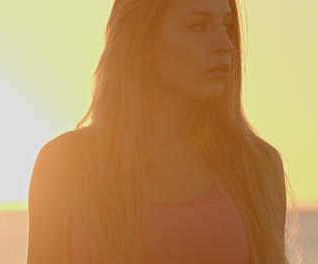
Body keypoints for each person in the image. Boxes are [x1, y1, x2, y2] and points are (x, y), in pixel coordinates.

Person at [27, 0, 302, 263]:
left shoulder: (255, 167)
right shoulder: (64, 164)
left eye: (226, 26)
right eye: (198, 27)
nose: (225, 45)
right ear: (144, 39)